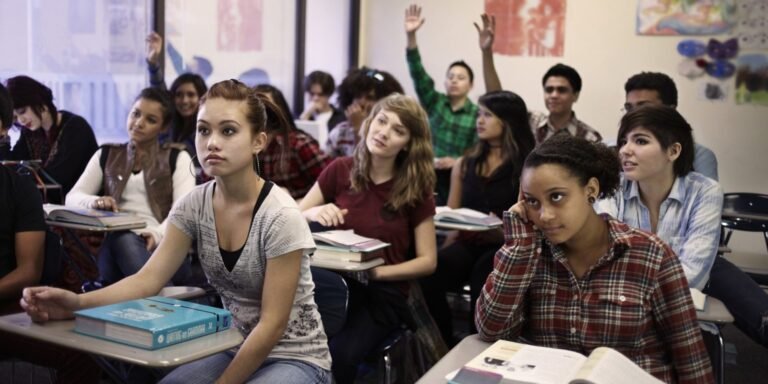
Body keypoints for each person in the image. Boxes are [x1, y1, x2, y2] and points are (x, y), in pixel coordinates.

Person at [21, 80, 332, 384]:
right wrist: (76, 304)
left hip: (298, 356)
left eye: (228, 131)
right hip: (233, 344)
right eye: (203, 129)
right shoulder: (194, 204)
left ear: (258, 142)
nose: (211, 142)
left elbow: (273, 325)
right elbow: (147, 280)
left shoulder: (280, 214)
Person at [476, 133, 714, 383]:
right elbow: (492, 329)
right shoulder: (531, 254)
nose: (544, 215)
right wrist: (521, 246)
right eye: (532, 202)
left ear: (591, 190)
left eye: (557, 197)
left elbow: (691, 361)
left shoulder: (651, 255)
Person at [596, 104, 768, 348]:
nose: (625, 150)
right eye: (624, 141)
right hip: (627, 305)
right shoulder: (613, 187)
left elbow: (693, 273)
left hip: (676, 297)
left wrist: (632, 281)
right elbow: (603, 255)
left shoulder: (704, 190)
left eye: (641, 141)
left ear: (674, 151)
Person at [299, 94, 437, 383]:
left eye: (398, 130)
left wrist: (376, 272)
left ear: (409, 143)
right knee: (298, 344)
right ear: (370, 122)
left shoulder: (416, 186)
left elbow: (427, 261)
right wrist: (314, 212)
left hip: (382, 294)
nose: (384, 132)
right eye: (381, 121)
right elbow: (293, 217)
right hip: (333, 284)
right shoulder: (340, 168)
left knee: (339, 354)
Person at [420, 90, 535, 346]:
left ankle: (479, 350)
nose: (479, 121)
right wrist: (448, 245)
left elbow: (531, 218)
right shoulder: (465, 162)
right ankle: (445, 345)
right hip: (467, 240)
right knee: (430, 274)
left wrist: (503, 233)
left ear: (507, 121)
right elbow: (452, 213)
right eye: (479, 114)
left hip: (504, 245)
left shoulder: (526, 165)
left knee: (484, 276)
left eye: (487, 115)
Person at [65, 88, 196, 285]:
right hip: (116, 247)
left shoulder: (178, 158)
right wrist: (95, 201)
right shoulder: (107, 154)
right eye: (135, 114)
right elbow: (72, 198)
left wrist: (156, 235)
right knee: (122, 238)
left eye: (151, 120)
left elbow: (183, 212)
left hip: (165, 250)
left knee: (125, 240)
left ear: (164, 127)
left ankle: (156, 299)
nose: (139, 123)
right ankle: (165, 304)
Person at [475, 14, 601, 144]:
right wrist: (486, 52)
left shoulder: (588, 138)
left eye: (562, 90)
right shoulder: (530, 122)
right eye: (549, 90)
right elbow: (498, 103)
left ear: (576, 95)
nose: (554, 95)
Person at [0, 75, 98, 201]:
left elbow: (57, 177)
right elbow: (9, 167)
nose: (21, 120)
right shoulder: (30, 132)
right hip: (48, 207)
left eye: (22, 111)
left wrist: (23, 175)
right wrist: (3, 133)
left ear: (38, 101)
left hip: (78, 208)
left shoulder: (76, 128)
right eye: (15, 118)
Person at [404, 4, 478, 170]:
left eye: (460, 78)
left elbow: (478, 150)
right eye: (450, 77)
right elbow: (417, 72)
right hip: (425, 170)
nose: (454, 81)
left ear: (471, 85)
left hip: (458, 176)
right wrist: (411, 36)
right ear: (445, 82)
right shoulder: (434, 101)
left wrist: (458, 161)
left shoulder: (476, 114)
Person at [623, 71, 718, 180]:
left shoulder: (700, 156)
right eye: (629, 108)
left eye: (644, 108)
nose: (633, 114)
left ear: (670, 110)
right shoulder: (615, 151)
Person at [253, 84, 331, 199]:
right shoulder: (245, 148)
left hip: (302, 210)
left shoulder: (299, 144)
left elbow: (331, 182)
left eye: (267, 107)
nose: (261, 112)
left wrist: (301, 205)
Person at [146, 31, 208, 163]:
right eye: (179, 95)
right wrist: (152, 62)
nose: (185, 100)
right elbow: (159, 91)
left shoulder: (207, 126)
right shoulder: (171, 121)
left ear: (201, 97)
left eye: (191, 95)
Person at [326, 67, 404, 158]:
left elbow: (369, 164)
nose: (362, 102)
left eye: (370, 97)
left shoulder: (388, 133)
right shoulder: (340, 131)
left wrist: (359, 127)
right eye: (358, 96)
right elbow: (326, 166)